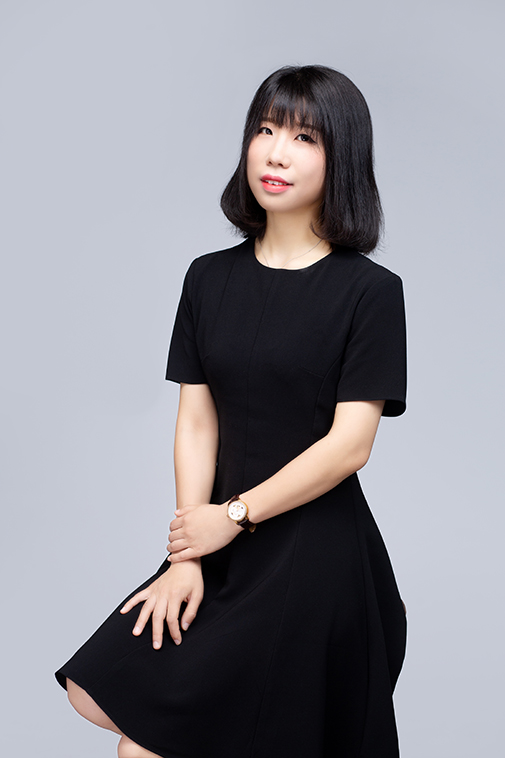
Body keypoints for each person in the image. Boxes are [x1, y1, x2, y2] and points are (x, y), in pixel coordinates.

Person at [56, 64, 408, 758]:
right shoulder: (207, 277)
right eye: (266, 130)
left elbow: (350, 446)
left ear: (340, 158)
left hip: (314, 555)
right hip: (219, 541)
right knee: (95, 694)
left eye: (304, 138)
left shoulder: (370, 292)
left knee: (146, 748)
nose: (276, 153)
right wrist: (186, 553)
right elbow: (196, 422)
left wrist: (235, 516)